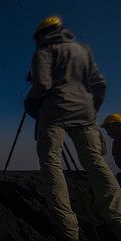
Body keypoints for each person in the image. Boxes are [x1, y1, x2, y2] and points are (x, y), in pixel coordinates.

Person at [24, 16, 121, 241]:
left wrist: (31, 103)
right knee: (95, 161)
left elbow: (42, 85)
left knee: (51, 161)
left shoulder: (43, 53)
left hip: (53, 113)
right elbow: (99, 84)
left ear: (42, 35)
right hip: (84, 113)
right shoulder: (82, 50)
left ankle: (67, 229)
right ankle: (116, 218)